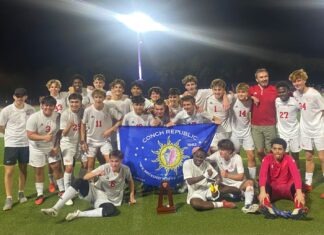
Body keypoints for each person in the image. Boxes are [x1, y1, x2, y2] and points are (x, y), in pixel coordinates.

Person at [41, 150, 136, 221]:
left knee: (111, 210)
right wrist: (96, 174)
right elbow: (86, 177)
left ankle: (79, 214)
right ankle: (55, 208)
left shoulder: (125, 169)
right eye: (112, 161)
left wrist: (131, 196)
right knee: (79, 181)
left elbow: (130, 181)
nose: (114, 164)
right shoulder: (104, 167)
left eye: (116, 161)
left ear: (121, 161)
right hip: (96, 192)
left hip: (110, 200)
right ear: (109, 160)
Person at [289, 69, 324, 193]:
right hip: (305, 130)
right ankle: (308, 184)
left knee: (322, 158)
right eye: (294, 82)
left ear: (304, 80)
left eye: (298, 80)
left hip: (319, 129)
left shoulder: (314, 94)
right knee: (309, 156)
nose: (296, 83)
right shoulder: (295, 94)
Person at [0, 88, 35, 210]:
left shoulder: (31, 109)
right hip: (11, 144)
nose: (20, 98)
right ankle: (9, 198)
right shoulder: (7, 110)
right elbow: (1, 126)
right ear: (14, 97)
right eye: (17, 96)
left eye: (22, 96)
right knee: (9, 171)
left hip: (25, 144)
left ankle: (21, 192)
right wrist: (10, 135)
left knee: (23, 169)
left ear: (26, 97)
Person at [26, 96, 65, 205]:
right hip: (37, 148)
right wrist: (44, 138)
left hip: (51, 147)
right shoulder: (34, 117)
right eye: (46, 105)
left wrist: (56, 146)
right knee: (39, 170)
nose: (48, 107)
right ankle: (40, 194)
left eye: (51, 105)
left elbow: (59, 133)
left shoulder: (58, 116)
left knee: (56, 167)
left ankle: (62, 190)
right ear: (42, 106)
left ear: (54, 106)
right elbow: (30, 135)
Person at [258, 138, 308, 219]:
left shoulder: (289, 159)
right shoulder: (267, 159)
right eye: (274, 149)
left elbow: (296, 175)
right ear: (271, 149)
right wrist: (262, 192)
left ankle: (298, 209)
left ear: (284, 150)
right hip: (273, 188)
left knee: (299, 189)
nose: (277, 151)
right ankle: (267, 208)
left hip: (287, 187)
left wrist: (299, 193)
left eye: (280, 149)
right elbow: (262, 175)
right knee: (263, 188)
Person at [207, 139, 259, 214]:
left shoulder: (237, 158)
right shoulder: (217, 155)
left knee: (250, 182)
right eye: (220, 149)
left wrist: (227, 175)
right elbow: (206, 160)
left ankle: (247, 205)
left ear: (230, 151)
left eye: (223, 149)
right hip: (224, 184)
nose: (220, 151)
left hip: (238, 184)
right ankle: (240, 195)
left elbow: (241, 177)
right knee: (211, 185)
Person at [80, 89, 123, 172]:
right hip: (91, 140)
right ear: (93, 98)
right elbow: (83, 124)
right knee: (90, 165)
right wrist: (83, 140)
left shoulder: (109, 109)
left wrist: (110, 130)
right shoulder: (88, 110)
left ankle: (109, 182)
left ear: (104, 98)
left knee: (110, 161)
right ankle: (91, 184)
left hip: (105, 140)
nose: (98, 99)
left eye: (100, 97)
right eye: (96, 97)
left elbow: (121, 119)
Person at [60, 93, 84, 205]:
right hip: (67, 143)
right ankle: (66, 194)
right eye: (72, 102)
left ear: (80, 102)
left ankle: (79, 187)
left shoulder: (83, 112)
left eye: (76, 102)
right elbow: (63, 134)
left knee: (85, 165)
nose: (74, 104)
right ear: (69, 103)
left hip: (80, 143)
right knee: (69, 168)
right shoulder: (65, 114)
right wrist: (69, 125)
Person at [249, 68, 277, 161]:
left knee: (271, 150)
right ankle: (265, 166)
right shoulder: (252, 89)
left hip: (270, 125)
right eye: (261, 77)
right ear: (257, 79)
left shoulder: (274, 89)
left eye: (266, 76)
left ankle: (272, 169)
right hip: (256, 126)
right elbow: (240, 94)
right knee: (260, 151)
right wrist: (252, 96)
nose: (264, 79)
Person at [229, 83, 256, 179]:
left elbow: (253, 95)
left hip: (247, 133)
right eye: (239, 92)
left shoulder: (250, 100)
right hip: (235, 133)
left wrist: (253, 97)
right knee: (235, 156)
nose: (241, 94)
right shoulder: (233, 99)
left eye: (243, 92)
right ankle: (239, 178)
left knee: (251, 156)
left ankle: (252, 179)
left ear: (247, 93)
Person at [275, 81, 301, 167]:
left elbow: (304, 111)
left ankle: (296, 176)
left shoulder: (295, 101)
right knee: (283, 155)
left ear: (288, 91)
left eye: (283, 91)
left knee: (295, 156)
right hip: (282, 133)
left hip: (294, 132)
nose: (282, 94)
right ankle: (285, 175)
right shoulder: (277, 101)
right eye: (279, 92)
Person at [206, 79, 233, 152]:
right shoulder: (208, 98)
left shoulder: (229, 97)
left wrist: (224, 95)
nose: (217, 92)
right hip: (213, 129)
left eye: (219, 90)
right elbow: (207, 114)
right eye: (215, 89)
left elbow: (227, 106)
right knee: (212, 150)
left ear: (224, 90)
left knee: (224, 151)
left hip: (225, 130)